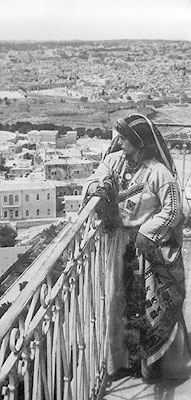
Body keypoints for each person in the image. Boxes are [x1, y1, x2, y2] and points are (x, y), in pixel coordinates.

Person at [82, 114, 186, 382]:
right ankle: (119, 363)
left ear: (140, 143)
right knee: (117, 302)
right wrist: (99, 186)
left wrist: (147, 231)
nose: (120, 144)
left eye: (125, 140)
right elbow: (95, 179)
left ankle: (149, 366)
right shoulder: (114, 160)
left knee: (149, 308)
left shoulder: (158, 172)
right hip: (117, 245)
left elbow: (174, 210)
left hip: (146, 250)